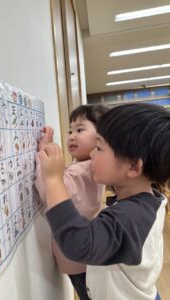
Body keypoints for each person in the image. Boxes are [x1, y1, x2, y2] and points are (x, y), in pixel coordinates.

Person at [38, 103, 170, 300]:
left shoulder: (131, 215)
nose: (91, 154)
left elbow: (78, 243)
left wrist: (54, 180)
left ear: (133, 167)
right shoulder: (148, 201)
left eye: (99, 147)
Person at [35, 104, 108, 300]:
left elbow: (50, 192)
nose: (72, 136)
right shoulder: (90, 165)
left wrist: (43, 153)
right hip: (85, 253)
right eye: (70, 130)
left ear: (101, 137)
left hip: (76, 256)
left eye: (80, 129)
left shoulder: (80, 170)